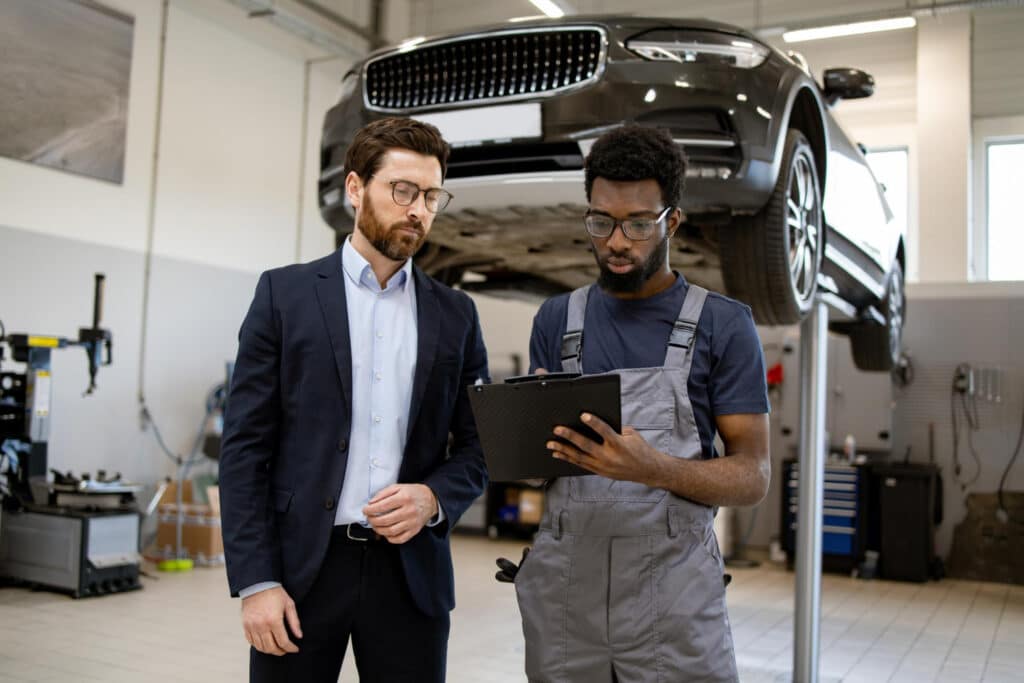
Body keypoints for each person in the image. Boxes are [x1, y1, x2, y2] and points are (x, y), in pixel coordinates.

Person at [219, 117, 489, 683]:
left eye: (432, 195)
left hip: (409, 573)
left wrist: (432, 497)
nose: (419, 209)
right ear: (354, 189)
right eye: (403, 190)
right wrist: (257, 581)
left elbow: (477, 444)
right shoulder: (283, 295)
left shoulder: (455, 314)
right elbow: (244, 448)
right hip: (299, 574)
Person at [511, 125, 770, 682]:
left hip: (672, 599)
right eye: (600, 222)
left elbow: (753, 476)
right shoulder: (556, 321)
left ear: (671, 221)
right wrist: (523, 445)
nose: (616, 242)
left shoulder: (723, 325)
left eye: (636, 224)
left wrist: (654, 469)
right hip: (565, 600)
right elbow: (537, 476)